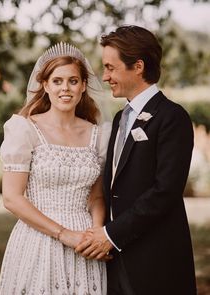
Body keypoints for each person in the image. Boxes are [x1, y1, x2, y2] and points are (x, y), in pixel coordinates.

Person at [75, 25, 197, 295]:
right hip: (117, 260)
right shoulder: (120, 118)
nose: (105, 76)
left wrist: (110, 235)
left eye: (110, 67)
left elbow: (165, 191)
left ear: (138, 66)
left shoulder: (172, 117)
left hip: (156, 259)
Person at [0, 42, 111, 295]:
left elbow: (96, 197)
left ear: (83, 85)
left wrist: (96, 234)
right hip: (38, 239)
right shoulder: (24, 129)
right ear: (45, 85)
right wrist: (63, 234)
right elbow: (12, 198)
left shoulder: (98, 136)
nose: (65, 89)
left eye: (72, 81)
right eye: (57, 81)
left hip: (85, 244)